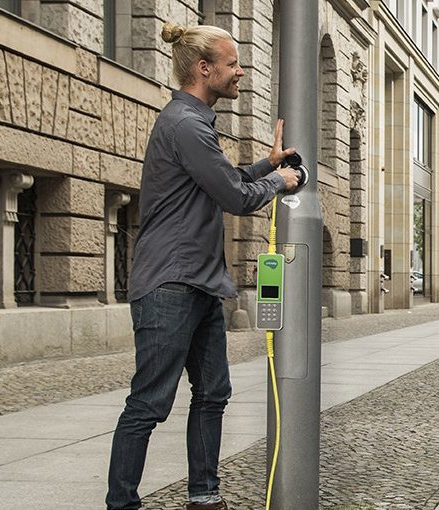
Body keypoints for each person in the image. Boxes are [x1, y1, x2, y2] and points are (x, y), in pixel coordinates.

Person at [107, 23, 300, 510]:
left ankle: (204, 497)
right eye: (233, 63)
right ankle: (121, 504)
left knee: (213, 391)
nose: (241, 71)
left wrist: (265, 166)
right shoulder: (186, 124)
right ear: (203, 68)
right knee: (149, 402)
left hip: (199, 282)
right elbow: (234, 197)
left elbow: (221, 179)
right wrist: (280, 181)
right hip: (171, 283)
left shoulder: (194, 124)